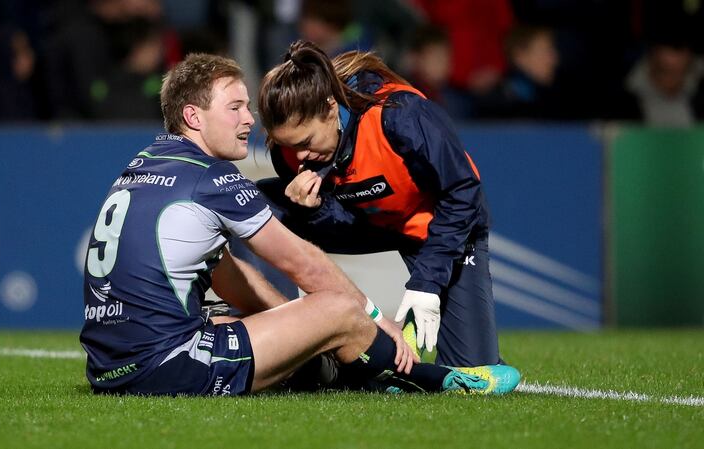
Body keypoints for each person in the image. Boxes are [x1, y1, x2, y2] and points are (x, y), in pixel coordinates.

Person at [78, 52, 520, 396]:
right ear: (194, 117)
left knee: (266, 307)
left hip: (110, 367)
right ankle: (414, 375)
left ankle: (329, 354)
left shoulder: (144, 164)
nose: (248, 120)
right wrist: (368, 319)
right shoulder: (218, 176)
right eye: (235, 108)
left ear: (331, 109)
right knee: (338, 306)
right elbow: (303, 265)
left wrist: (424, 281)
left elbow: (227, 274)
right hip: (171, 366)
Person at [256, 40, 506, 368]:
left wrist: (428, 281)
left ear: (331, 107)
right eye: (290, 145)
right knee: (253, 204)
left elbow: (463, 194)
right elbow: (342, 218)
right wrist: (313, 210)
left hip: (436, 228)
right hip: (370, 223)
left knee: (474, 369)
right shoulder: (290, 153)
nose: (300, 156)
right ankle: (277, 343)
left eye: (305, 142)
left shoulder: (401, 116)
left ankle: (422, 328)